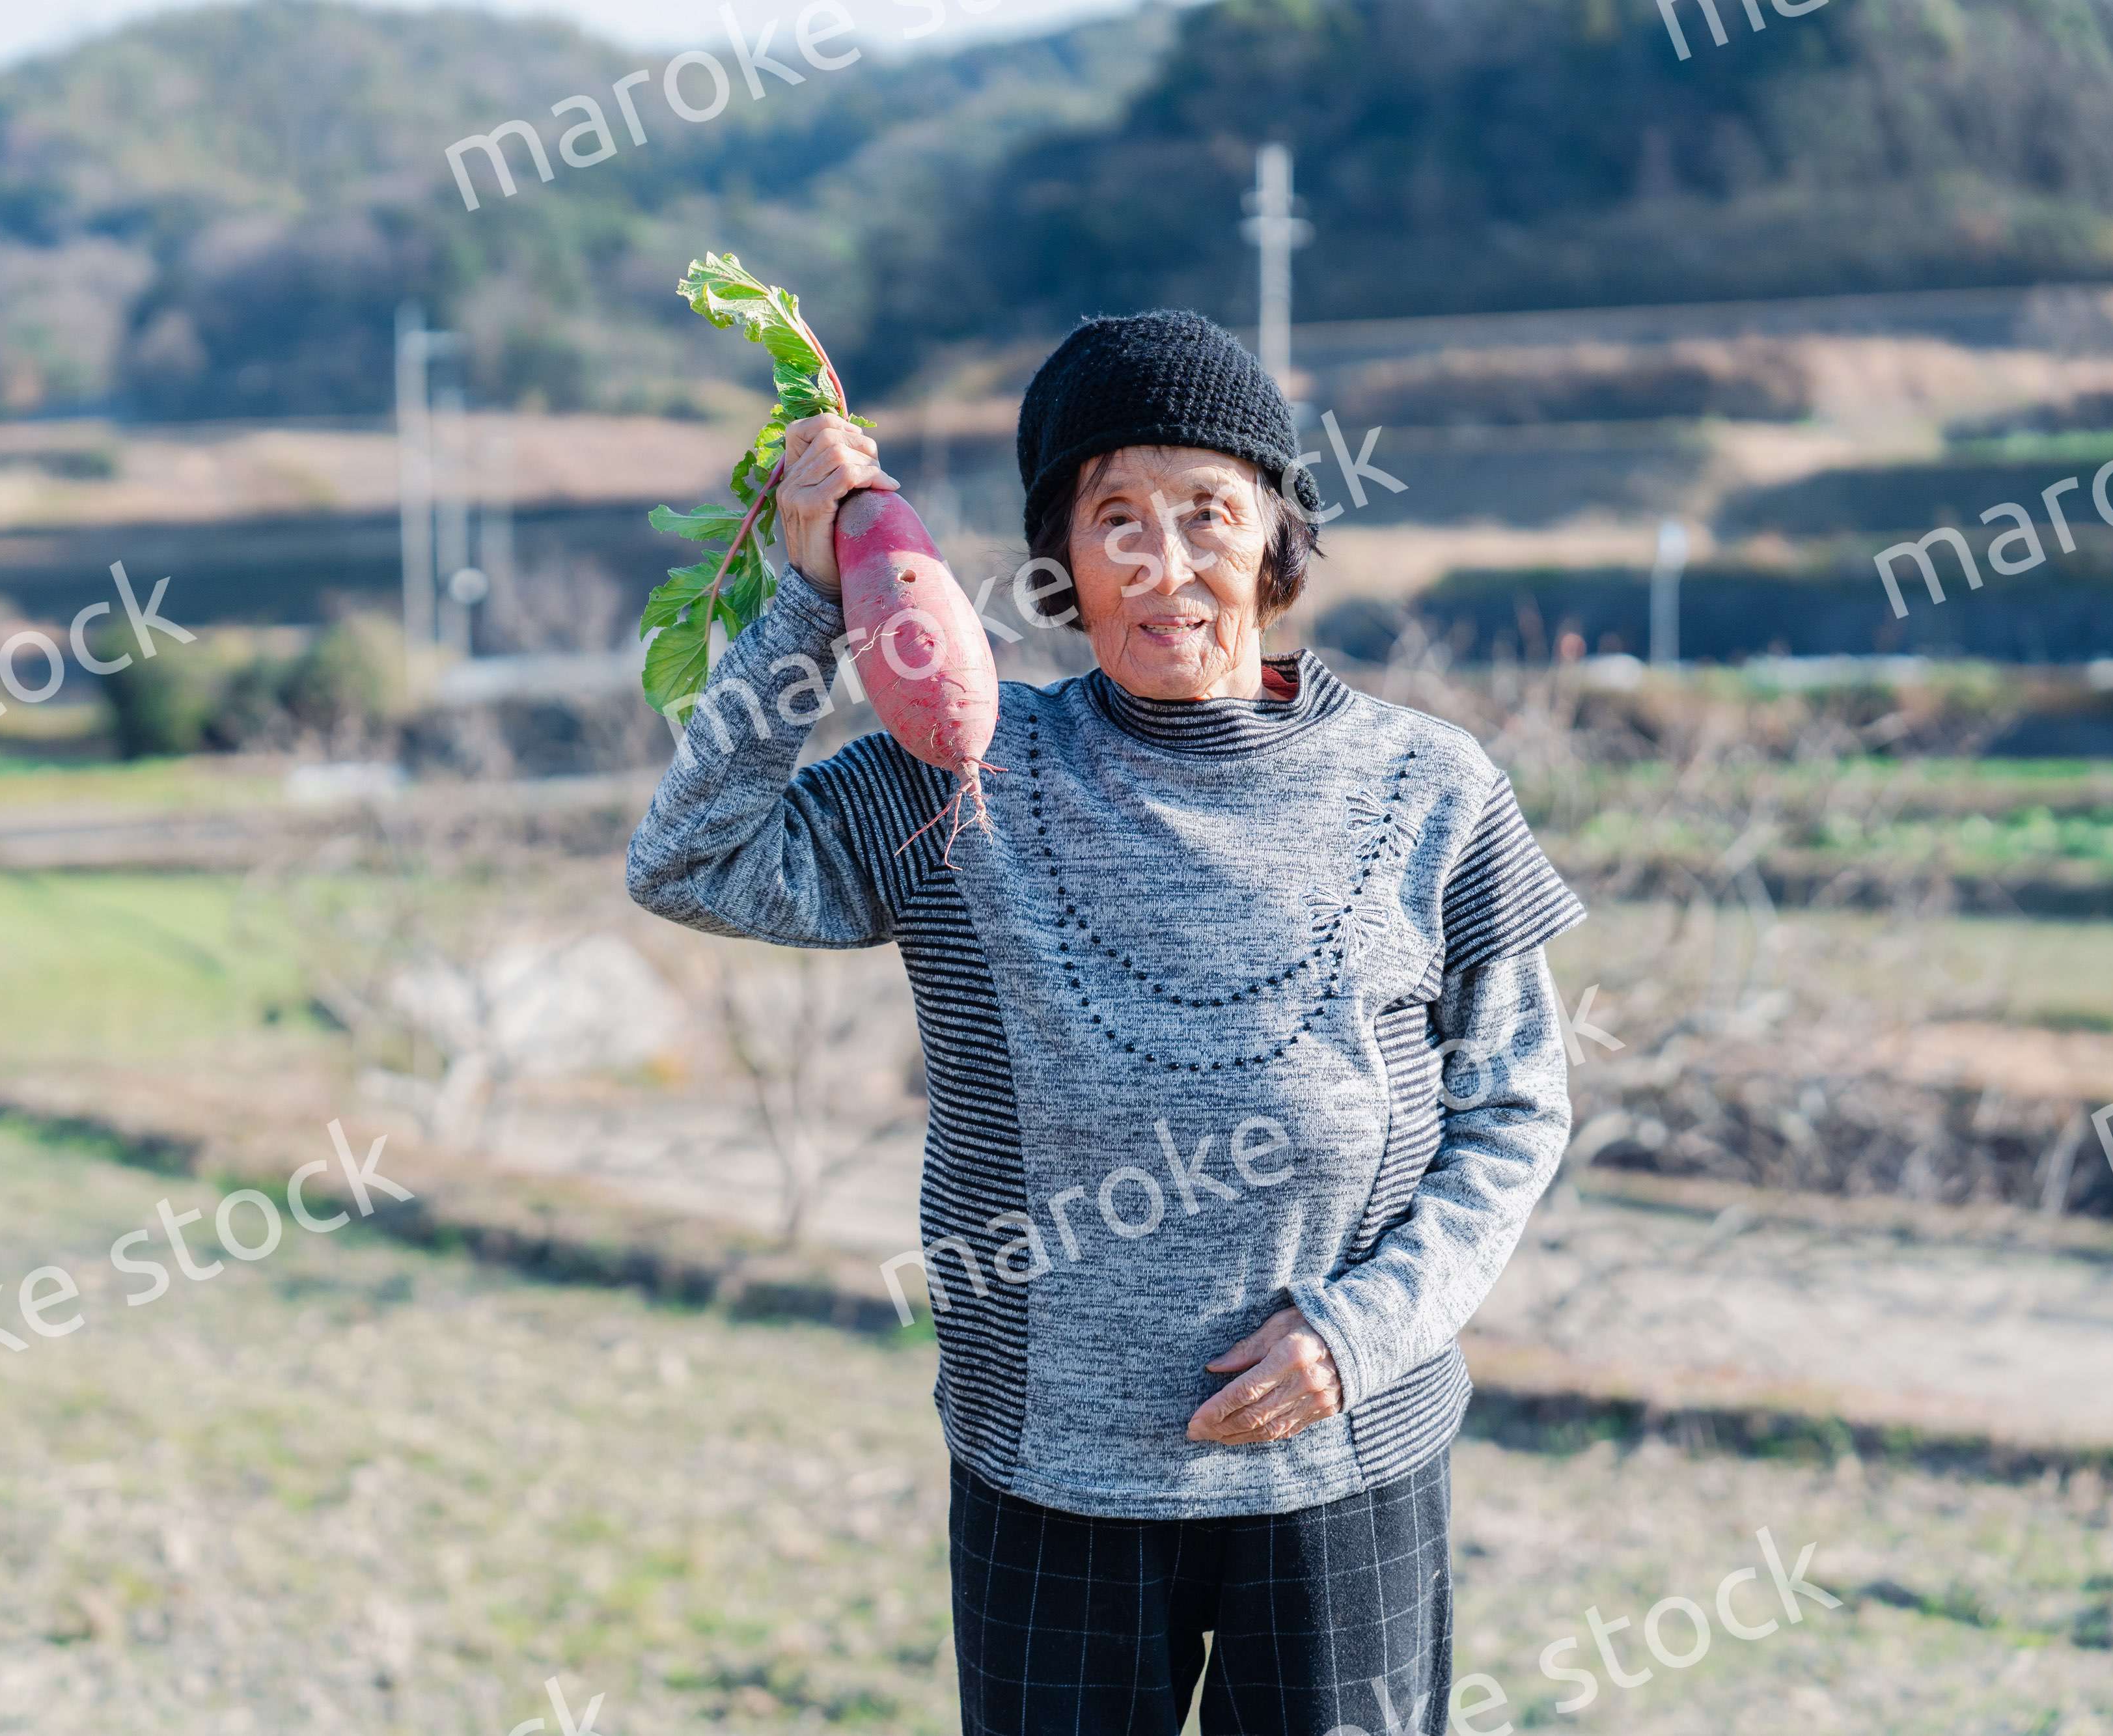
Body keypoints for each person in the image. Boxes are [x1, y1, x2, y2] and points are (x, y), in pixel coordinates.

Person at [627, 309, 1582, 1736]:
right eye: (1112, 517)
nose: (1163, 560)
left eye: (1207, 510)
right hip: (1050, 1478)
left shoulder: (1427, 786)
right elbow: (689, 859)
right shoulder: (958, 770)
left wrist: (1359, 1334)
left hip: (1343, 1462)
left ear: (1274, 535)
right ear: (1057, 563)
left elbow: (1512, 1111)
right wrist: (814, 601)